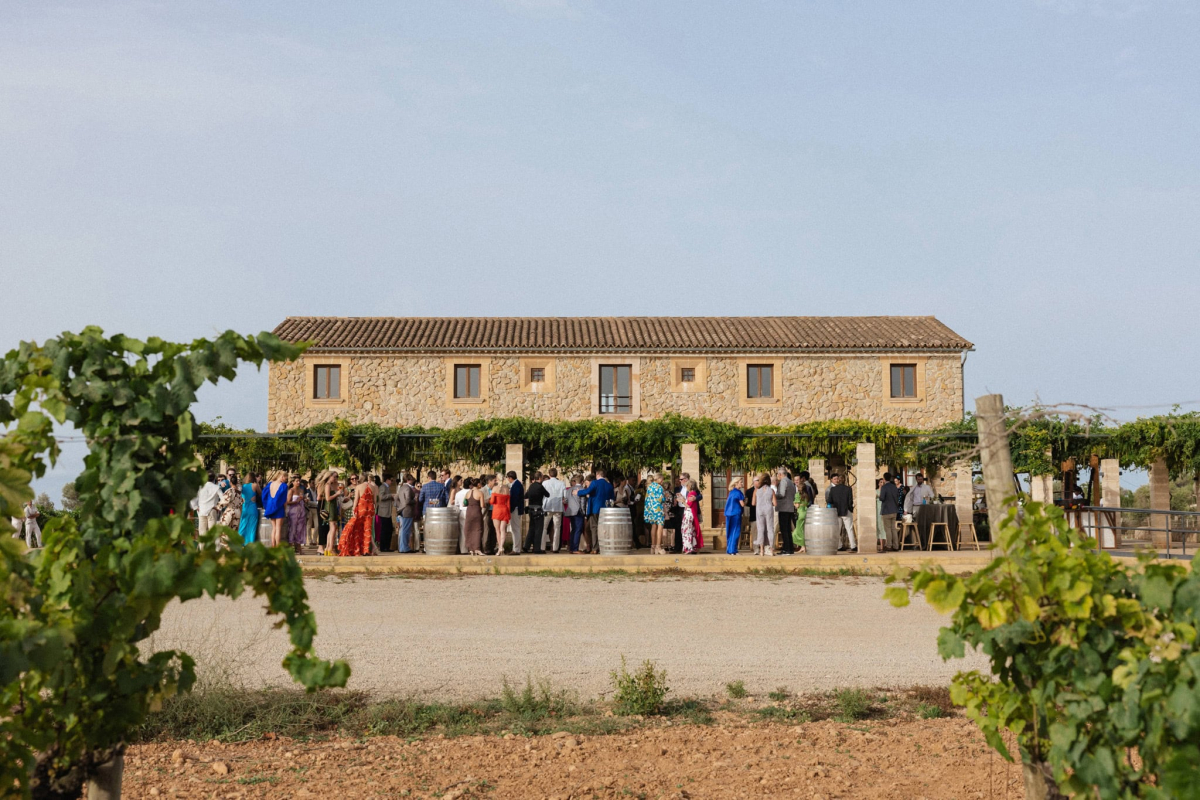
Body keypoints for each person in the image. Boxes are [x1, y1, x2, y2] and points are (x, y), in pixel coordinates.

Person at [336, 473, 376, 556]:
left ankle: (352, 547)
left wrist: (354, 509)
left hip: (361, 508)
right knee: (367, 529)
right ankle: (366, 550)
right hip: (370, 509)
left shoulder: (359, 487)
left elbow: (356, 500)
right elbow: (375, 501)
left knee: (354, 527)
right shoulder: (374, 487)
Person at [577, 469, 614, 554]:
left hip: (595, 509)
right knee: (592, 528)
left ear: (597, 475)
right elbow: (612, 498)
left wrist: (578, 492)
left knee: (594, 528)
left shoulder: (595, 483)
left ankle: (595, 548)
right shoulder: (609, 485)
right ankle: (594, 546)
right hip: (605, 509)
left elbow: (588, 491)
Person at [826, 472, 857, 552]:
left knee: (837, 530)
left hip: (837, 511)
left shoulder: (833, 489)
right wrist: (850, 509)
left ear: (838, 480)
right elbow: (850, 501)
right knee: (849, 529)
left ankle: (839, 545)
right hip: (846, 510)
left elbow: (829, 500)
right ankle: (853, 545)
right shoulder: (848, 489)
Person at [260, 471, 289, 547]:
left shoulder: (270, 484)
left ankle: (273, 546)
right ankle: (278, 547)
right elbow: (284, 500)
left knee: (274, 528)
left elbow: (264, 496)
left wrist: (267, 506)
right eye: (285, 479)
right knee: (278, 528)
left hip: (271, 507)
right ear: (282, 477)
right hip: (279, 508)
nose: (285, 480)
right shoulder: (284, 486)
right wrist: (285, 509)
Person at [541, 468, 567, 552]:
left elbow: (542, 495)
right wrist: (564, 501)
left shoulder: (545, 483)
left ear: (549, 474)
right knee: (557, 528)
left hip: (547, 506)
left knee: (544, 527)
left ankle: (542, 547)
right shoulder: (561, 483)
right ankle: (555, 547)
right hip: (558, 507)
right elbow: (565, 497)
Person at [751, 474, 776, 556]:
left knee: (760, 529)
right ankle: (771, 549)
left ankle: (761, 550)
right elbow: (775, 503)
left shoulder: (756, 490)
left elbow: (753, 503)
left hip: (759, 510)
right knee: (770, 529)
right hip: (768, 509)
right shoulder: (771, 490)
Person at [523, 471, 547, 553]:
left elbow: (525, 496)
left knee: (531, 528)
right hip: (538, 510)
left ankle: (526, 546)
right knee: (538, 529)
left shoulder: (531, 486)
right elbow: (547, 494)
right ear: (540, 478)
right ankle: (537, 548)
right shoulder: (540, 486)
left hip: (530, 510)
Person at [775, 468, 797, 556]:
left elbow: (781, 494)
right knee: (788, 529)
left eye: (777, 474)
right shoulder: (791, 482)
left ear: (780, 474)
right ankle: (790, 548)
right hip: (790, 507)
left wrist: (773, 494)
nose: (777, 476)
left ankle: (786, 549)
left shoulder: (784, 481)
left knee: (784, 529)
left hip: (784, 508)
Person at [196, 473, 224, 541]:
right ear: (214, 478)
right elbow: (223, 499)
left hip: (201, 510)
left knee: (202, 533)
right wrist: (218, 507)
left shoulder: (200, 487)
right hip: (212, 510)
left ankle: (202, 550)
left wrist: (196, 507)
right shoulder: (216, 487)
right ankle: (212, 550)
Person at [643, 473, 666, 554]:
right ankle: (658, 547)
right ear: (659, 479)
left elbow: (646, 499)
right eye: (662, 479)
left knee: (653, 526)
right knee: (660, 527)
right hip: (658, 509)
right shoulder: (660, 487)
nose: (662, 481)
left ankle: (652, 546)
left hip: (651, 510)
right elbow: (662, 499)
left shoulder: (649, 487)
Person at [879, 472, 902, 551]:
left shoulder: (884, 487)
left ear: (884, 479)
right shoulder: (894, 487)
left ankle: (889, 545)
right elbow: (897, 497)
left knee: (888, 529)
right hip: (894, 510)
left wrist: (879, 496)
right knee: (893, 528)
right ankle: (896, 546)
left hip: (886, 510)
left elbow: (882, 498)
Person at [322, 473, 343, 555]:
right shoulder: (327, 485)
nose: (336, 478)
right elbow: (327, 498)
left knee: (331, 528)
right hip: (330, 507)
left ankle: (328, 548)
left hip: (333, 506)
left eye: (337, 476)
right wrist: (337, 494)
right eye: (334, 476)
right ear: (329, 476)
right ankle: (330, 548)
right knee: (333, 527)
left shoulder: (331, 485)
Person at [238, 473, 261, 547]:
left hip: (244, 508)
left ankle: (240, 542)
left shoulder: (243, 486)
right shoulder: (254, 485)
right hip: (252, 508)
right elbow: (261, 493)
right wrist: (257, 482)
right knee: (252, 527)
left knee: (243, 525)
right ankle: (250, 543)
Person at [396, 474, 418, 552]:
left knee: (403, 529)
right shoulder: (408, 488)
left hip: (402, 510)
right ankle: (405, 548)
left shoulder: (401, 488)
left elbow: (397, 498)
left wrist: (400, 507)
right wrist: (415, 500)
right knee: (406, 530)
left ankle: (402, 547)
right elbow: (408, 500)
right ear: (409, 480)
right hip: (407, 511)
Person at [724, 477, 746, 555]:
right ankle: (733, 550)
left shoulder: (731, 492)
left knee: (729, 532)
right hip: (736, 513)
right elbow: (742, 504)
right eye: (741, 482)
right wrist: (746, 501)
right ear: (736, 483)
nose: (742, 484)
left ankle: (729, 550)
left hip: (728, 514)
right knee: (735, 531)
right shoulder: (739, 493)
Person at [492, 478, 513, 554]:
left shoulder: (494, 488)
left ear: (497, 480)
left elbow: (492, 501)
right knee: (503, 530)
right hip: (504, 510)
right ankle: (501, 547)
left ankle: (500, 547)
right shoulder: (506, 489)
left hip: (497, 510)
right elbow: (508, 503)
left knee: (497, 530)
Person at [680, 480, 702, 554]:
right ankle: (693, 546)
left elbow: (688, 505)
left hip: (688, 514)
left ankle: (688, 548)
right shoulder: (693, 493)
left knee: (686, 530)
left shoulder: (691, 494)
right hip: (691, 514)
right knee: (691, 530)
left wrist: (682, 501)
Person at [286, 479, 307, 554]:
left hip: (301, 511)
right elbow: (287, 502)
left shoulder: (301, 490)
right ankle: (289, 548)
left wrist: (305, 500)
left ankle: (298, 548)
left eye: (299, 481)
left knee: (300, 530)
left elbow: (303, 499)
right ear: (293, 482)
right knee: (293, 529)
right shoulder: (291, 490)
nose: (298, 482)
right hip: (293, 512)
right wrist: (296, 501)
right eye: (296, 481)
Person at [566, 474, 586, 553]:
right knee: (578, 529)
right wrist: (584, 512)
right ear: (582, 482)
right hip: (578, 511)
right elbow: (583, 502)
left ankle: (572, 547)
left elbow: (566, 500)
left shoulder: (569, 490)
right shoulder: (581, 489)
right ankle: (575, 548)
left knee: (573, 529)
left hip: (571, 511)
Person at [506, 471, 524, 555]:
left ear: (510, 478)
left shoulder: (516, 485)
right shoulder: (516, 484)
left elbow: (515, 498)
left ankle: (516, 549)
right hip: (516, 509)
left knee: (515, 529)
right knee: (515, 529)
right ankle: (516, 548)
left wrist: (511, 509)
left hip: (515, 509)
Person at [376, 475, 395, 553]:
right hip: (383, 512)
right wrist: (390, 496)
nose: (391, 482)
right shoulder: (383, 487)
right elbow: (381, 497)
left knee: (389, 529)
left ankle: (387, 546)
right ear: (387, 480)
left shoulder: (387, 487)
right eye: (391, 480)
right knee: (385, 530)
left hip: (387, 512)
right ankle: (383, 547)